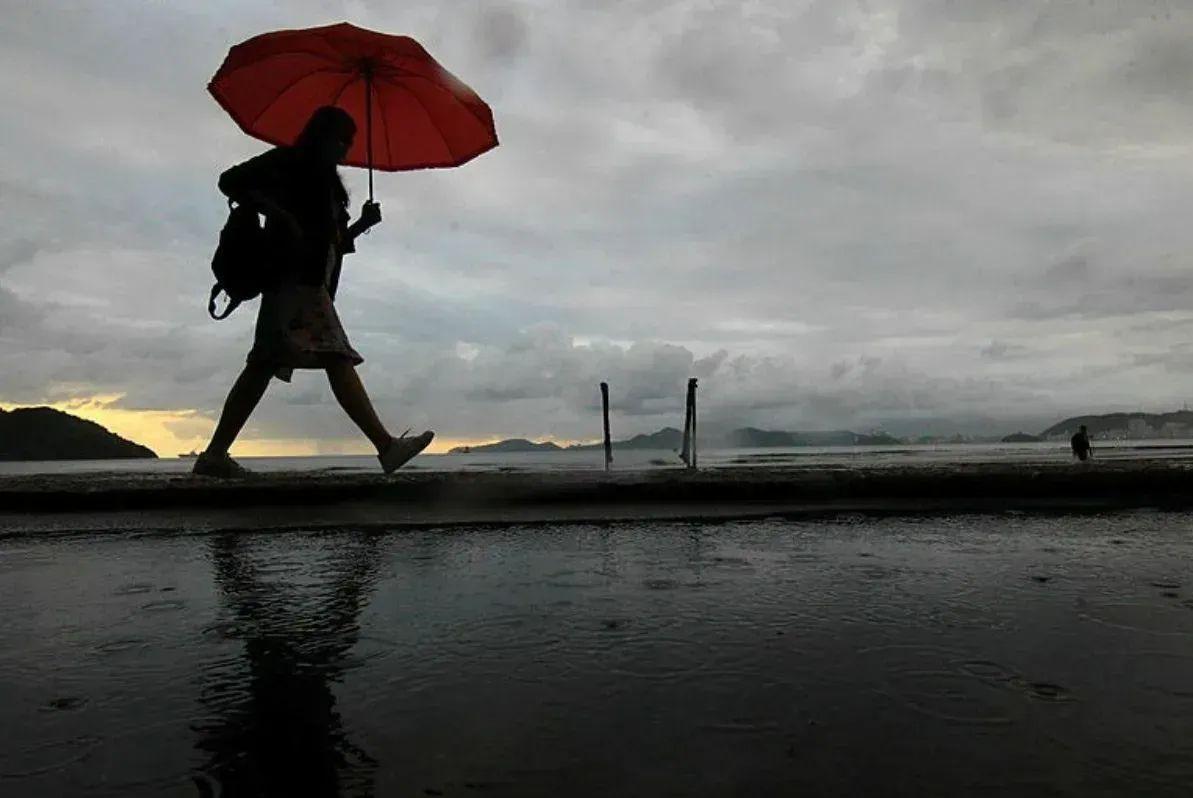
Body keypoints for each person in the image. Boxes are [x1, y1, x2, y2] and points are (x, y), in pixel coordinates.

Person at [193, 106, 433, 478]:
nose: (345, 149)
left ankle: (214, 455)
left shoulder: (328, 184)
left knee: (264, 364)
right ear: (321, 135)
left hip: (309, 282)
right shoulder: (288, 161)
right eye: (341, 140)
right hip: (291, 279)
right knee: (333, 357)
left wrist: (359, 226)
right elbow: (230, 180)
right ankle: (386, 446)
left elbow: (330, 243)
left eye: (349, 143)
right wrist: (279, 213)